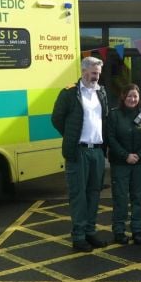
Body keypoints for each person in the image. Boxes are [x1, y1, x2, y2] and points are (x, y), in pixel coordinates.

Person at [51, 56, 109, 253]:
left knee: (94, 194)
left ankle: (90, 232)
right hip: (78, 151)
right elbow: (57, 118)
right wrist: (71, 137)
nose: (97, 76)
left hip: (97, 152)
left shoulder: (101, 92)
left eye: (99, 73)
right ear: (84, 71)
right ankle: (78, 236)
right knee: (79, 196)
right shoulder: (69, 93)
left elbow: (105, 118)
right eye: (94, 72)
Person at [107, 83, 141, 245]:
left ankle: (137, 231)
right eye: (129, 96)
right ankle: (119, 231)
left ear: (139, 98)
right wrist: (125, 155)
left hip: (139, 164)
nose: (132, 99)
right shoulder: (114, 115)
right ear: (123, 97)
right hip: (120, 163)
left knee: (137, 198)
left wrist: (139, 155)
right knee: (120, 198)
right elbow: (110, 138)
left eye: (135, 96)